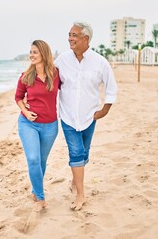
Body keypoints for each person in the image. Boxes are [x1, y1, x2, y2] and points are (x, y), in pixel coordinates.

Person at [54, 22, 117, 210]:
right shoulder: (61, 60)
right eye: (69, 34)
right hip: (67, 116)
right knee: (76, 153)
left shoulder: (100, 62)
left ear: (85, 38)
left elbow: (111, 87)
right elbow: (49, 81)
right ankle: (81, 195)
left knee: (84, 152)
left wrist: (104, 110)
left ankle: (75, 181)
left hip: (90, 117)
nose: (70, 38)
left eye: (74, 35)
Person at [15, 40, 60, 211]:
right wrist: (25, 112)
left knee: (41, 161)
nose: (31, 55)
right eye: (30, 52)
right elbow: (18, 97)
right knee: (33, 159)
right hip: (28, 124)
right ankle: (41, 198)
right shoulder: (25, 76)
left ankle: (35, 190)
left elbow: (70, 89)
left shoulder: (55, 74)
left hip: (50, 126)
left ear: (43, 54)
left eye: (35, 52)